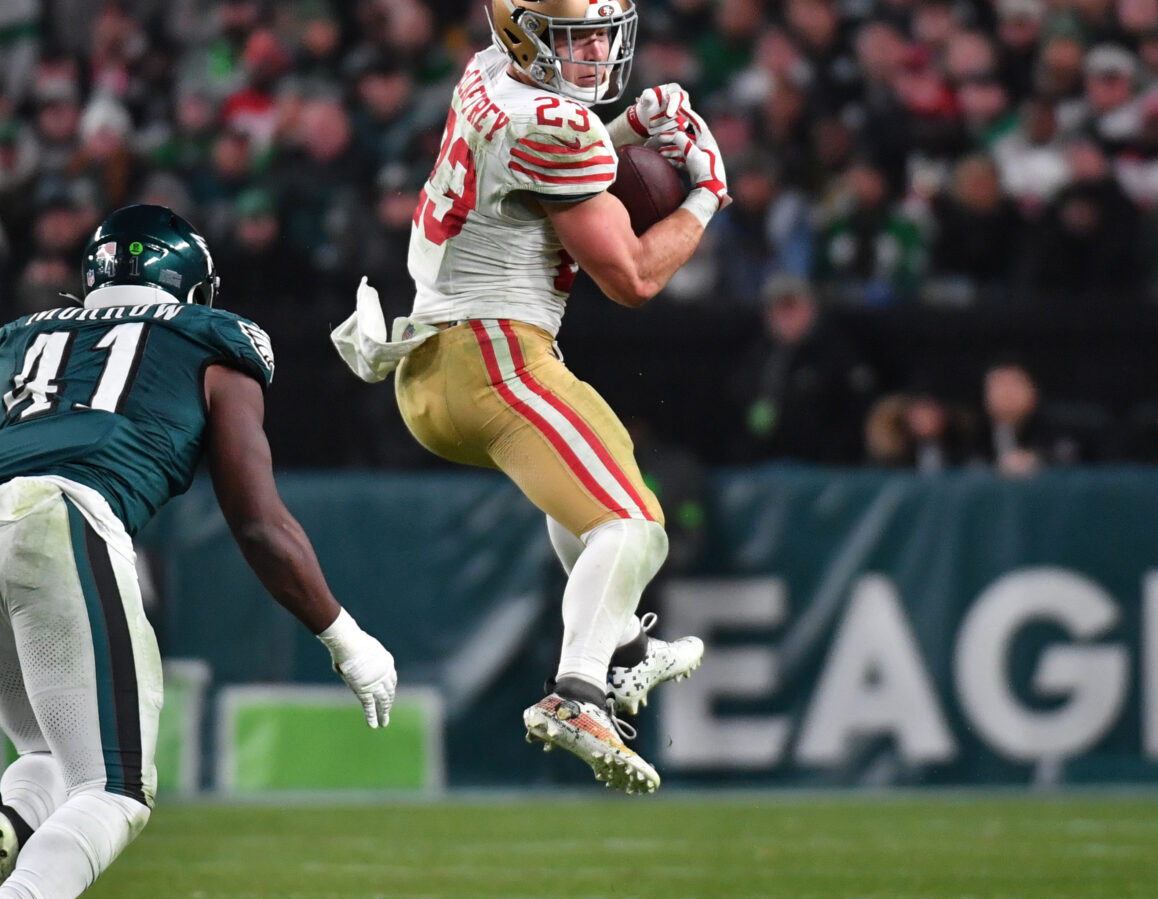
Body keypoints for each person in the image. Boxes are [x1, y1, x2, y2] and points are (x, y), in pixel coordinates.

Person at [0, 204, 398, 899]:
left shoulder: (31, 337)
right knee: (117, 788)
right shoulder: (212, 341)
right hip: (63, 525)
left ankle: (15, 823)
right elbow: (259, 524)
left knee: (50, 756)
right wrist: (345, 636)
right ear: (192, 286)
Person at [363, 0, 721, 794]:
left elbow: (542, 168)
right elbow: (632, 277)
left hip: (433, 366)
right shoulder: (555, 126)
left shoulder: (489, 72)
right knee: (636, 525)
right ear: (524, 33)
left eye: (601, 33)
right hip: (492, 356)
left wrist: (624, 130)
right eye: (575, 36)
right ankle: (579, 692)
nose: (595, 51)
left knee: (600, 487)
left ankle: (622, 650)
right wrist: (706, 193)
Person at [728, 273, 874, 464]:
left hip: (822, 464)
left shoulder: (835, 352)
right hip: (765, 463)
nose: (785, 318)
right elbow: (738, 397)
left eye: (792, 308)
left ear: (811, 309)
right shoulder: (759, 354)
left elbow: (855, 410)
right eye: (778, 309)